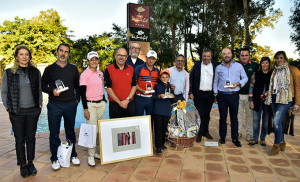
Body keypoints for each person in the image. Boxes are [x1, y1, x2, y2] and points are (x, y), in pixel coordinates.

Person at [1, 45, 42, 178]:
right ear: (16, 56)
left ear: (29, 57)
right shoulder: (9, 73)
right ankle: (22, 165)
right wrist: (9, 108)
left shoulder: (35, 72)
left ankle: (30, 163)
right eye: (21, 54)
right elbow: (4, 92)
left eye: (26, 54)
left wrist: (39, 105)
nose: (24, 57)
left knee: (31, 138)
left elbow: (39, 90)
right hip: (17, 112)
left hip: (32, 111)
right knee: (19, 140)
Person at [41, 43, 80, 170]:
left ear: (68, 54)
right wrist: (52, 91)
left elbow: (77, 86)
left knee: (70, 131)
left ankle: (73, 154)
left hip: (70, 105)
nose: (63, 54)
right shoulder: (49, 69)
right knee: (54, 133)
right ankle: (55, 158)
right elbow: (42, 86)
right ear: (57, 52)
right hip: (54, 105)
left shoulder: (73, 69)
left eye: (66, 52)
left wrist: (77, 100)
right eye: (61, 51)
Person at [265, 51, 300, 156]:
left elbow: (298, 86)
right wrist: (268, 93)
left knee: (275, 120)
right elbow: (273, 85)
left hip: (286, 99)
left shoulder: (293, 70)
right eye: (276, 58)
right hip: (275, 98)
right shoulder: (275, 71)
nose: (278, 60)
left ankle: (276, 146)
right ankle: (282, 141)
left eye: (281, 58)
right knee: (278, 122)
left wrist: (297, 103)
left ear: (285, 59)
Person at [214, 48, 248, 147]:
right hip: (222, 96)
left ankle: (234, 138)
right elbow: (215, 81)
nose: (226, 55)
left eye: (228, 53)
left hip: (234, 95)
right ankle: (223, 137)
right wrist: (215, 93)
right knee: (223, 118)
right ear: (222, 56)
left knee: (234, 118)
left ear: (232, 54)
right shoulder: (218, 68)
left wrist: (238, 83)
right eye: (224, 54)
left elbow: (245, 78)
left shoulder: (239, 66)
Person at [79, 51, 106, 166]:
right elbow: (82, 93)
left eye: (96, 59)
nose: (94, 61)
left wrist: (104, 99)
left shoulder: (101, 73)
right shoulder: (85, 74)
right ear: (88, 61)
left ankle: (95, 153)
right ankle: (91, 155)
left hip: (101, 104)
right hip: (90, 105)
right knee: (92, 131)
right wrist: (85, 109)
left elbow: (101, 87)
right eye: (92, 59)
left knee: (99, 130)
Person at [189, 49, 217, 143]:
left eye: (208, 56)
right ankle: (199, 133)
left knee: (207, 114)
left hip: (210, 94)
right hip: (199, 93)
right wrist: (191, 92)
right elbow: (191, 79)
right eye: (204, 56)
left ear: (211, 57)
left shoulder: (214, 66)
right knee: (200, 114)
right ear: (202, 56)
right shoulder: (197, 65)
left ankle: (206, 131)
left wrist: (216, 94)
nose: (206, 58)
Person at [104, 48, 136, 118]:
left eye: (124, 56)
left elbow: (134, 86)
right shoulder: (108, 69)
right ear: (115, 56)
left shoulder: (131, 69)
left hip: (129, 103)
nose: (121, 57)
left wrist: (127, 100)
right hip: (115, 104)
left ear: (126, 58)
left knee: (130, 127)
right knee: (115, 127)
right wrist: (120, 102)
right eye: (119, 55)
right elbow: (108, 88)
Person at [248, 57, 272, 146]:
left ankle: (262, 139)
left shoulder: (272, 74)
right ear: (260, 64)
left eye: (266, 63)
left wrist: (269, 92)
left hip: (268, 102)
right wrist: (251, 101)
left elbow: (274, 87)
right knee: (255, 120)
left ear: (269, 64)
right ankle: (255, 139)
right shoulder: (256, 74)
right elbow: (251, 87)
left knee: (265, 122)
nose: (264, 64)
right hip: (257, 100)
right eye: (263, 63)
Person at [237, 48, 259, 141]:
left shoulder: (255, 65)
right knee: (238, 115)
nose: (244, 57)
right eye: (242, 55)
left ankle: (249, 134)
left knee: (249, 116)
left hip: (250, 96)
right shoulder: (236, 65)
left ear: (249, 56)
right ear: (239, 56)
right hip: (237, 95)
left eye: (246, 55)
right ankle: (238, 132)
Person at [153, 69, 175, 155]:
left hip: (166, 110)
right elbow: (153, 97)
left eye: (166, 77)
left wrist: (173, 96)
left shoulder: (170, 86)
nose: (164, 78)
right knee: (158, 128)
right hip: (158, 110)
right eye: (163, 77)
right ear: (160, 78)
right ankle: (158, 147)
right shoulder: (157, 86)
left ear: (169, 78)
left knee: (164, 128)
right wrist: (159, 96)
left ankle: (162, 144)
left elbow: (173, 98)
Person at [135, 50, 160, 116]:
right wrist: (141, 90)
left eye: (153, 58)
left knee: (150, 119)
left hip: (151, 99)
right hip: (140, 98)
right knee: (139, 119)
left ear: (155, 60)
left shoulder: (157, 70)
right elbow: (134, 83)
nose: (151, 60)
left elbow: (159, 84)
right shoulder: (139, 68)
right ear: (146, 57)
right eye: (149, 58)